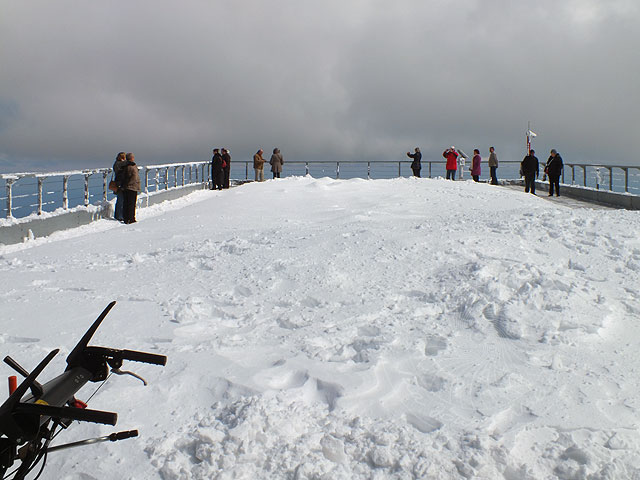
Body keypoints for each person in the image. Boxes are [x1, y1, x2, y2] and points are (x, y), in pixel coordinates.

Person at [122, 153, 140, 224]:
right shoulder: (132, 166)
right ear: (132, 158)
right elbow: (134, 177)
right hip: (132, 187)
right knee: (131, 204)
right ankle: (131, 218)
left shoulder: (124, 165)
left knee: (126, 203)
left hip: (125, 187)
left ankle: (126, 218)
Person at [112, 152, 127, 221]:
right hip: (120, 184)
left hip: (119, 183)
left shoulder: (116, 164)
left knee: (120, 200)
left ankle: (119, 215)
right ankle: (119, 215)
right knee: (121, 200)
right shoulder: (119, 164)